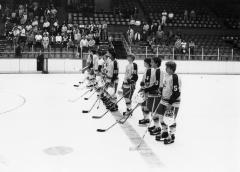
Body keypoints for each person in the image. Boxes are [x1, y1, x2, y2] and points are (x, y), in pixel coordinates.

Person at [155, 61, 181, 144]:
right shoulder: (167, 76)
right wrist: (161, 91)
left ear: (171, 68)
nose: (165, 69)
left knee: (170, 119)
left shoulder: (175, 77)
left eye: (167, 67)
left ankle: (172, 135)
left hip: (172, 103)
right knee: (161, 116)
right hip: (163, 100)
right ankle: (164, 132)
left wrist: (170, 104)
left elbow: (176, 93)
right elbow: (166, 88)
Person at [142, 57, 164, 136]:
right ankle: (155, 125)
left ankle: (158, 127)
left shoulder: (158, 71)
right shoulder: (154, 70)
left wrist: (147, 89)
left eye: (152, 62)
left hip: (156, 94)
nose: (151, 63)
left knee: (154, 112)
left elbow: (157, 85)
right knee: (152, 110)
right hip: (152, 93)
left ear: (156, 63)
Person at [139, 58, 151, 125]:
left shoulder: (150, 71)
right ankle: (145, 118)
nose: (144, 63)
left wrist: (145, 88)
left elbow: (148, 81)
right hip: (143, 89)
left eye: (145, 62)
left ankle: (147, 119)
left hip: (146, 90)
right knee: (142, 105)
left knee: (145, 105)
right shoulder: (146, 70)